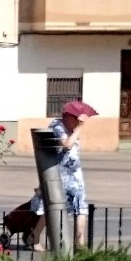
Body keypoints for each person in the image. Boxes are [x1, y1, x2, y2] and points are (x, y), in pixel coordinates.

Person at [51, 103, 93, 250]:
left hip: (75, 176)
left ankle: (79, 244)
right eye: (76, 119)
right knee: (49, 207)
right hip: (59, 175)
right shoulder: (57, 125)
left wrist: (76, 129)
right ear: (68, 116)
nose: (78, 122)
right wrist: (79, 128)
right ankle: (34, 236)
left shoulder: (71, 129)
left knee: (80, 207)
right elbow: (67, 144)